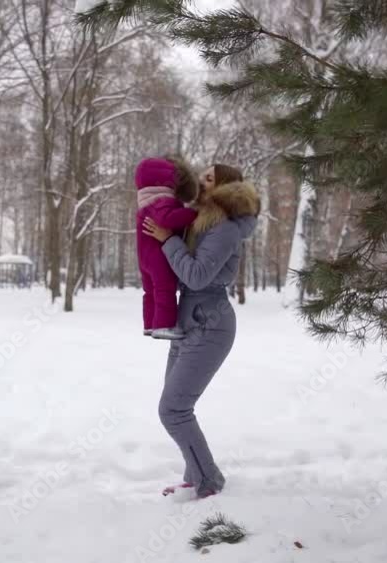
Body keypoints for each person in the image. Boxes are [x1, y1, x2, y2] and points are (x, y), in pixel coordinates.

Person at [141, 164, 259, 499]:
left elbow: (196, 277)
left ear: (224, 188)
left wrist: (167, 243)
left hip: (211, 323)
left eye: (208, 178)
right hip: (189, 319)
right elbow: (183, 276)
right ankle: (194, 477)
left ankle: (209, 482)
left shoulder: (224, 229)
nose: (200, 182)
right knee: (175, 407)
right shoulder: (202, 224)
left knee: (173, 410)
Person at [135, 157, 199, 340]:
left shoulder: (144, 203)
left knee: (150, 291)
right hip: (159, 255)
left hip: (144, 256)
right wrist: (193, 213)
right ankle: (164, 325)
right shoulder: (163, 201)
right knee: (165, 288)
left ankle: (149, 324)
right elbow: (167, 220)